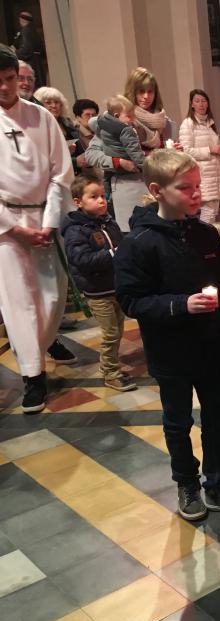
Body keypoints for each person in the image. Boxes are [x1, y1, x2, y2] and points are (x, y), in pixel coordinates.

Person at [114, 149, 220, 520]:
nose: (197, 194)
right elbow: (131, 300)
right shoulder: (139, 242)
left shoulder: (206, 234)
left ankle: (216, 482)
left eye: (198, 186)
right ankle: (187, 483)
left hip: (209, 348)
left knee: (214, 415)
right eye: (186, 188)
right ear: (157, 190)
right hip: (170, 351)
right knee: (178, 420)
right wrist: (180, 305)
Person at [0, 45, 74, 412]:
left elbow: (61, 173)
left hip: (44, 219)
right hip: (6, 229)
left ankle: (34, 351)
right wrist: (13, 229)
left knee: (51, 298)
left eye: (10, 79)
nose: (4, 87)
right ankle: (33, 377)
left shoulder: (41, 117)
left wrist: (47, 223)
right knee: (18, 303)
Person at [61, 176, 135, 392]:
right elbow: (82, 260)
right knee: (111, 333)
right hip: (97, 290)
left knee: (118, 329)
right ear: (78, 202)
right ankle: (111, 373)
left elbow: (119, 244)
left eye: (103, 196)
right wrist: (114, 253)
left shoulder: (107, 222)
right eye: (94, 197)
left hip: (115, 286)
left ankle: (108, 366)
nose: (101, 201)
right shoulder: (76, 230)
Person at [110, 67, 177, 231]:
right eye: (141, 91)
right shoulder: (117, 117)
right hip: (128, 186)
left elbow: (163, 152)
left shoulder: (163, 121)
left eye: (150, 91)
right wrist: (119, 161)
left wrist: (174, 153)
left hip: (156, 187)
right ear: (132, 91)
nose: (146, 97)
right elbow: (97, 154)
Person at [179, 88, 220, 224]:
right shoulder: (188, 124)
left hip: (215, 175)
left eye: (204, 101)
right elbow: (186, 151)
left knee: (213, 212)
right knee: (208, 213)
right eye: (197, 101)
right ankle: (204, 242)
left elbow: (215, 148)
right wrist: (210, 149)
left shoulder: (210, 123)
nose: (201, 104)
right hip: (203, 175)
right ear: (192, 104)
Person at [96, 95, 145, 170]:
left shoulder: (102, 122)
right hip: (127, 166)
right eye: (129, 116)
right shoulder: (125, 130)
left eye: (133, 115)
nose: (133, 119)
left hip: (112, 165)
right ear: (116, 116)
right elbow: (135, 152)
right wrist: (146, 167)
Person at [33, 86, 79, 155]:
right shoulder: (35, 126)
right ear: (39, 105)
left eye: (56, 102)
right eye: (48, 103)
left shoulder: (67, 123)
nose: (54, 106)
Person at [12, 11, 44, 87]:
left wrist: (13, 53)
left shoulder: (26, 31)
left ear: (22, 20)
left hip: (30, 63)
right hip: (37, 64)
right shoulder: (34, 31)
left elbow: (25, 51)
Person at [71, 98, 100, 175]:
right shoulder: (73, 133)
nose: (91, 118)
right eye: (87, 115)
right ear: (78, 117)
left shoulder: (99, 130)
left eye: (94, 115)